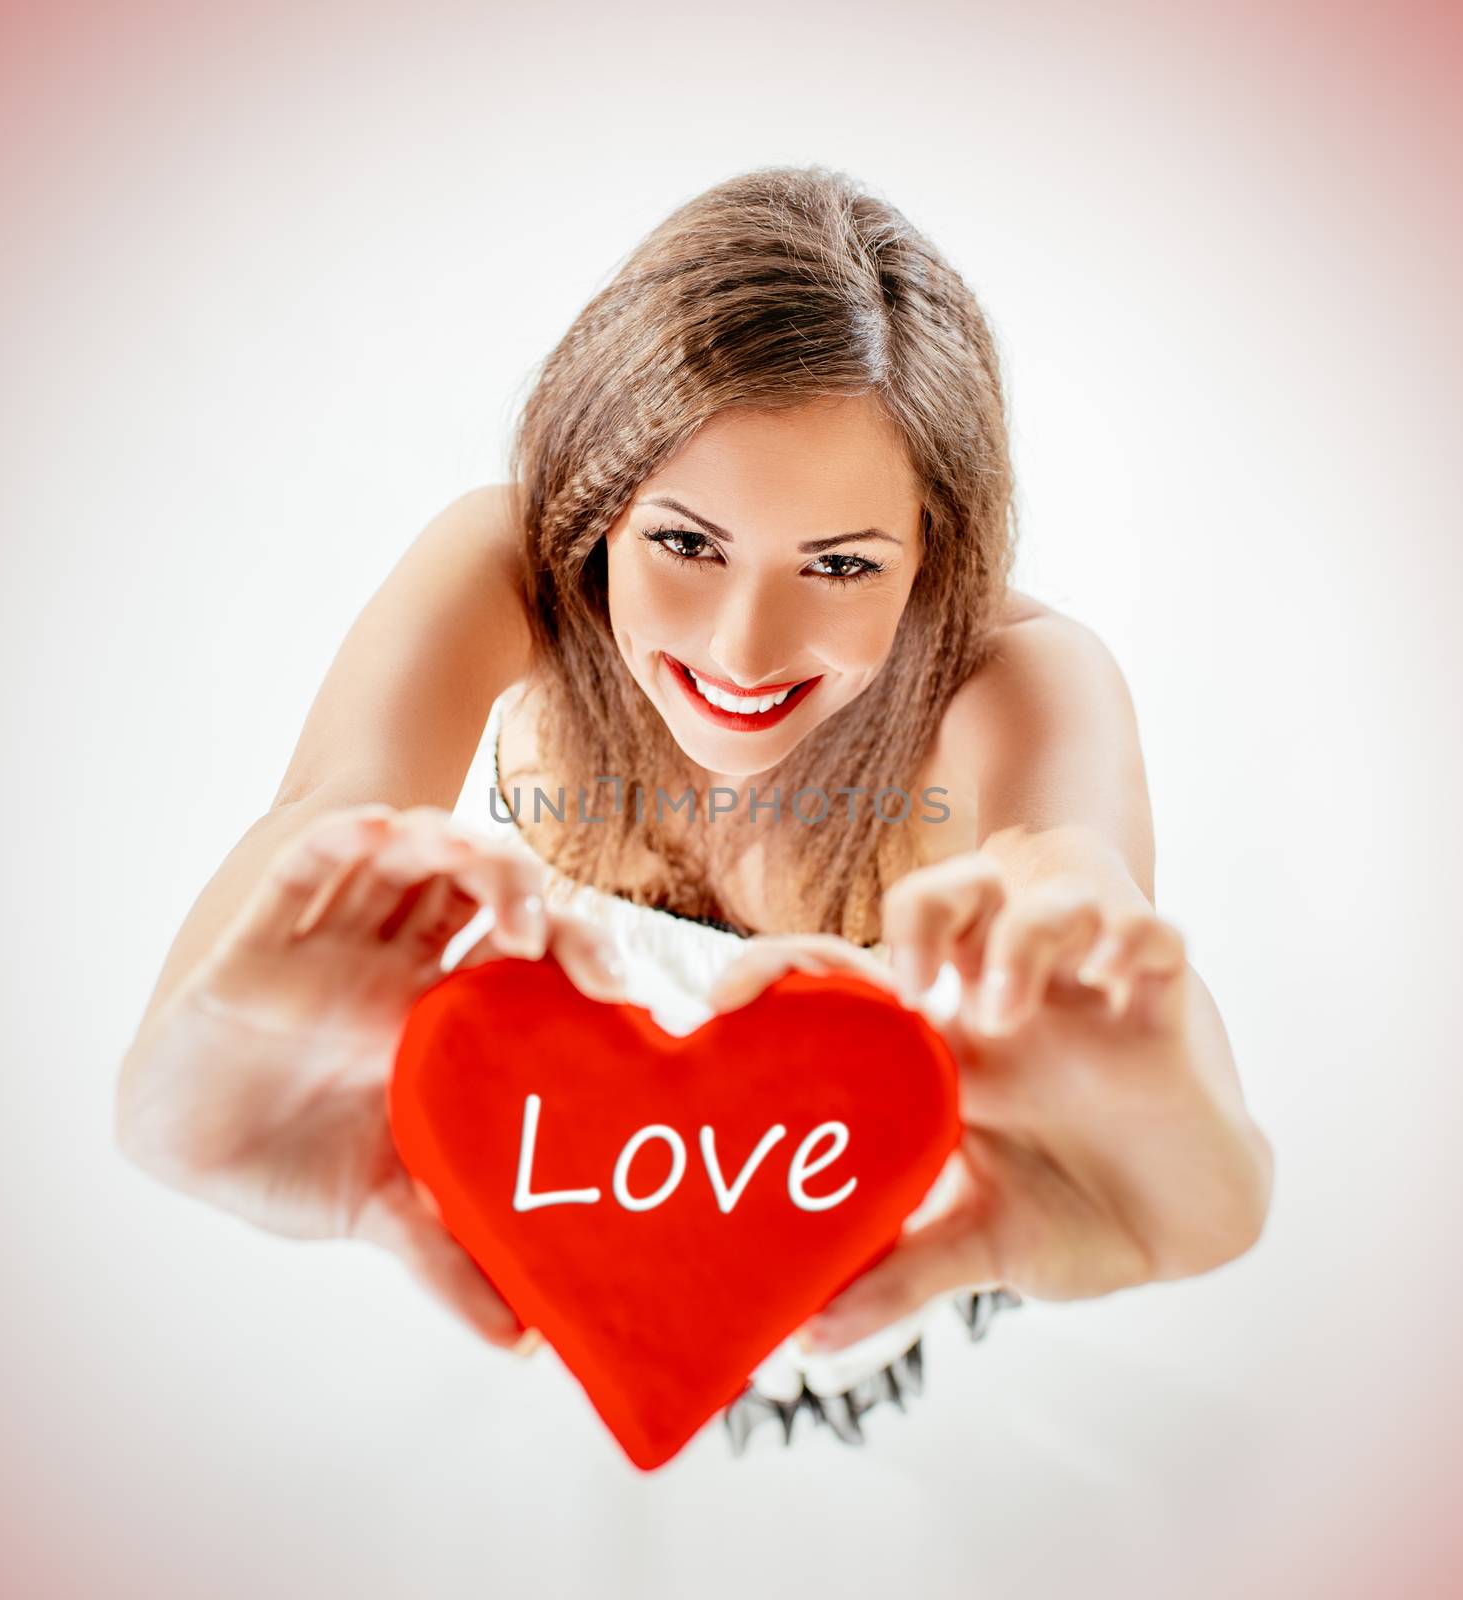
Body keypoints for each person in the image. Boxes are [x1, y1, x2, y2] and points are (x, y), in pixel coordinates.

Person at [114, 164, 1273, 1453]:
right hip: (546, 1229)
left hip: (855, 1265)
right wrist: (182, 1052)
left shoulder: (1018, 682)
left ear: (935, 553)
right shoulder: (509, 571)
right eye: (686, 542)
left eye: (838, 566)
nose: (744, 645)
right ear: (600, 500)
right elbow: (333, 810)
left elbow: (1088, 897)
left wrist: (1193, 1160)